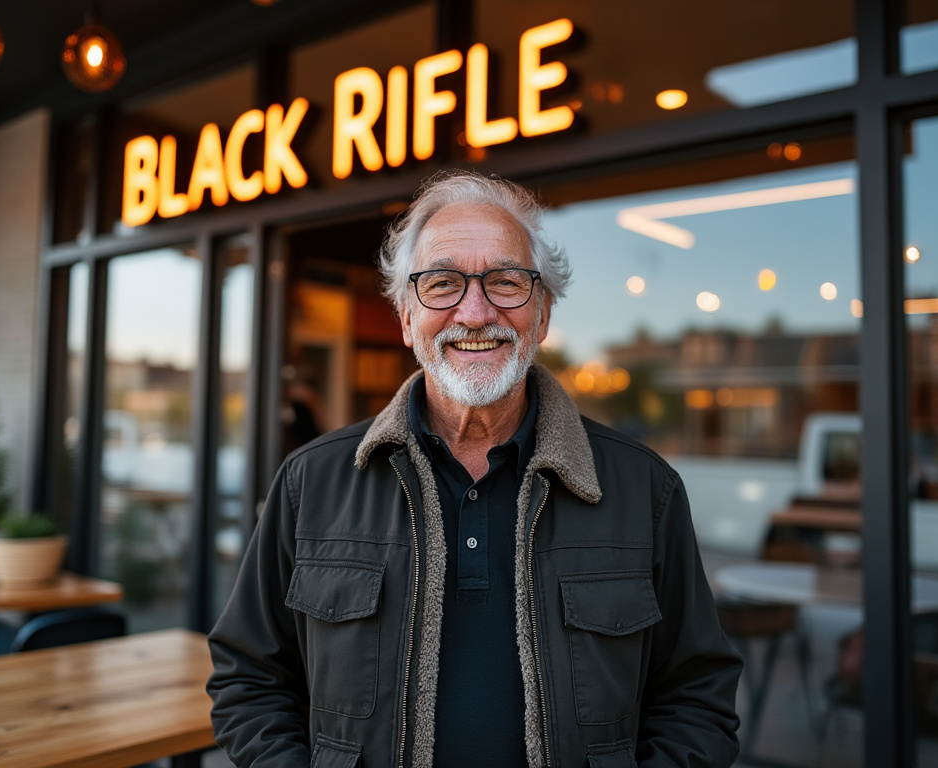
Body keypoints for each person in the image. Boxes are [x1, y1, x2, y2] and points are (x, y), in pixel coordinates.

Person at [206, 170, 742, 768]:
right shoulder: (313, 480)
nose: (476, 311)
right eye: (442, 283)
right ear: (407, 318)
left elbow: (697, 699)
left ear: (541, 315)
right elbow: (248, 680)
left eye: (506, 282)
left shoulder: (644, 489)